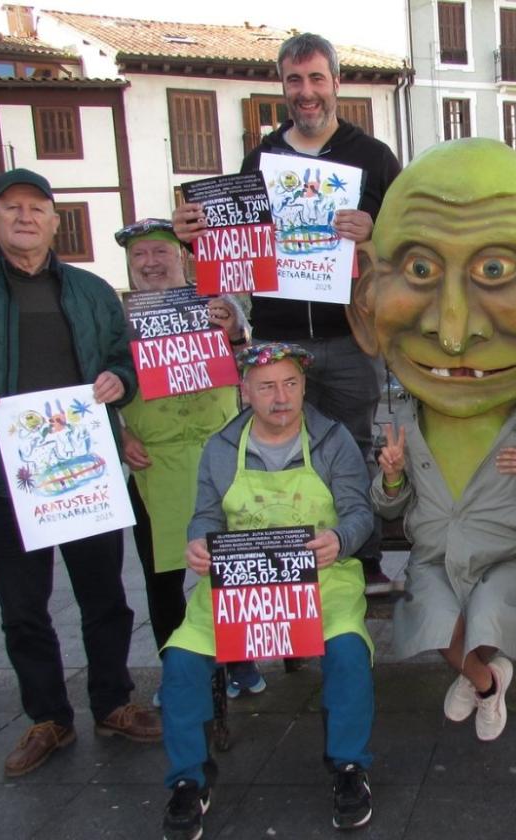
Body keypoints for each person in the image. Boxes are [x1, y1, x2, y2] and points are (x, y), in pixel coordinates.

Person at [0, 168, 161, 777]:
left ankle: (113, 701)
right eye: (12, 208)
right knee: (22, 606)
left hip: (85, 473)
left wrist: (121, 380)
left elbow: (123, 357)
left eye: (37, 208)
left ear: (55, 221)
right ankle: (48, 718)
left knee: (105, 597)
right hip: (1, 476)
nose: (25, 217)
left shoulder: (89, 291)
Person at [347, 138, 516, 741]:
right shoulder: (406, 420)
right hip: (432, 558)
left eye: (495, 271)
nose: (452, 335)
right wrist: (392, 473)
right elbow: (387, 504)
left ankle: (481, 672)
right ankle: (485, 682)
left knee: (487, 615)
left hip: (504, 555)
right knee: (431, 618)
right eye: (419, 269)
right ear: (365, 304)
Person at [172, 32, 401, 595]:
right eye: (295, 80)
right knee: (278, 450)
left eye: (316, 78)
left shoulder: (373, 158)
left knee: (352, 445)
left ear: (336, 84)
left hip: (350, 336)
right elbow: (232, 249)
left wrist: (376, 231)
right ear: (283, 86)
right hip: (275, 336)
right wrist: (191, 240)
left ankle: (361, 560)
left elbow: (408, 241)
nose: (306, 91)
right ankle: (287, 566)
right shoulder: (259, 160)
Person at [158, 342, 376, 838]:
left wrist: (340, 539)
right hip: (241, 580)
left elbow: (359, 511)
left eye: (291, 384)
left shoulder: (333, 440)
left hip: (323, 576)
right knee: (182, 659)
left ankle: (348, 769)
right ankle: (189, 781)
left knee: (346, 649)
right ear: (244, 392)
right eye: (267, 387)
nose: (282, 398)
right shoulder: (220, 448)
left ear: (303, 386)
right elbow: (207, 514)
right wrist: (198, 543)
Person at [114, 218, 244, 693]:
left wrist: (232, 334)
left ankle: (238, 658)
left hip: (220, 457)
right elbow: (97, 382)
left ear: (181, 257)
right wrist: (119, 433)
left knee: (232, 567)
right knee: (163, 578)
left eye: (160, 253)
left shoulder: (217, 304)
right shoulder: (115, 320)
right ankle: (178, 673)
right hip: (156, 465)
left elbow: (254, 363)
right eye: (139, 256)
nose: (150, 263)